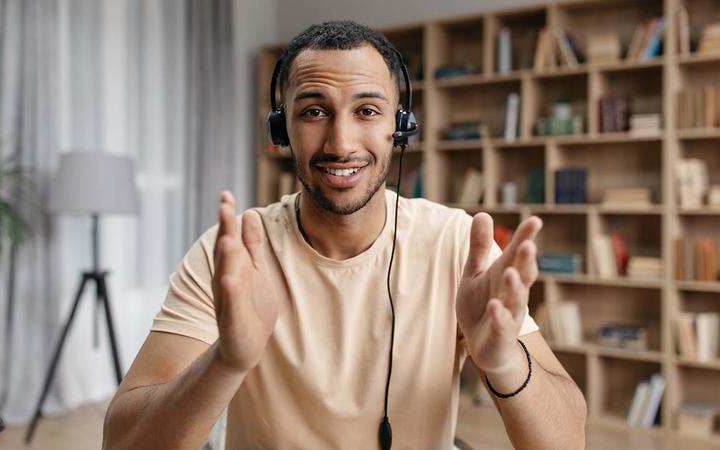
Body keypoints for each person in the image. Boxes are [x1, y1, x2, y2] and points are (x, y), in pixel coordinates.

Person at [102, 21, 586, 450]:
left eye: (368, 111)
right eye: (314, 112)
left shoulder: (458, 244)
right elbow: (121, 444)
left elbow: (568, 443)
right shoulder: (231, 256)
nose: (341, 143)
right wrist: (225, 363)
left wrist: (504, 363)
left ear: (400, 127)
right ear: (281, 127)